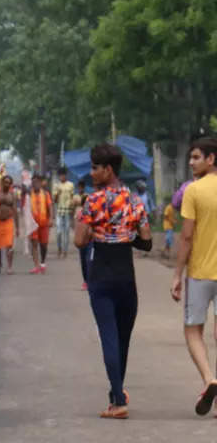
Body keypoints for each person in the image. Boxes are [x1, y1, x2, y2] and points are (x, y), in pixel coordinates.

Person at [75, 142, 151, 419]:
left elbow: (79, 240)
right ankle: (116, 393)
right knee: (122, 339)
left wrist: (97, 232)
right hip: (126, 276)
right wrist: (124, 234)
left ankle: (118, 400)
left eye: (95, 168)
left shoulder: (92, 202)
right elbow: (146, 241)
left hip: (101, 276)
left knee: (108, 336)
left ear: (108, 169)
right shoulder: (134, 201)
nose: (92, 173)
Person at [170, 138, 217, 415]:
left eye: (196, 157)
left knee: (193, 331)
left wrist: (177, 274)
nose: (191, 162)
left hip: (200, 274)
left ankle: (210, 378)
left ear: (211, 159)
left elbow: (186, 237)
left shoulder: (193, 191)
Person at [0, 175, 19, 274]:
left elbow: (15, 211)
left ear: (10, 184)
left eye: (9, 182)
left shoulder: (12, 195)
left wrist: (18, 227)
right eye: (5, 182)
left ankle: (9, 267)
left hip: (8, 221)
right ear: (2, 183)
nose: (7, 184)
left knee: (9, 244)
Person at [27, 174, 53, 274]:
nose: (35, 184)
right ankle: (36, 266)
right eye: (33, 182)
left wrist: (51, 218)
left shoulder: (46, 194)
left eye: (37, 182)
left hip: (44, 223)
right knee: (34, 244)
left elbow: (50, 207)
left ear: (40, 183)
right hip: (33, 224)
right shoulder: (30, 194)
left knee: (44, 245)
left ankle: (42, 263)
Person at [53, 168, 76, 258]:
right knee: (58, 232)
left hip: (68, 211)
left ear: (66, 175)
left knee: (66, 232)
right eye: (60, 175)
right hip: (59, 211)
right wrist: (57, 193)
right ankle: (59, 248)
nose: (62, 177)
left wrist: (73, 213)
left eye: (64, 175)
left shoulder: (71, 185)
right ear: (59, 176)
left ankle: (65, 251)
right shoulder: (56, 186)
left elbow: (72, 198)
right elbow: (54, 200)